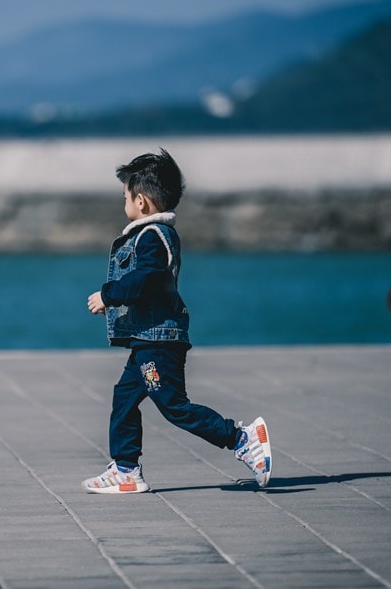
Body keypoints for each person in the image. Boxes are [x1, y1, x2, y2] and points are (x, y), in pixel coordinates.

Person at [82, 149, 272, 494]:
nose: (123, 202)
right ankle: (126, 469)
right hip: (146, 340)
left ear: (141, 202)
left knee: (173, 406)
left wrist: (108, 295)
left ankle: (240, 437)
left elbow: (148, 278)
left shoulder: (152, 237)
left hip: (158, 342)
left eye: (125, 196)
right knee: (123, 400)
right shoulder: (152, 234)